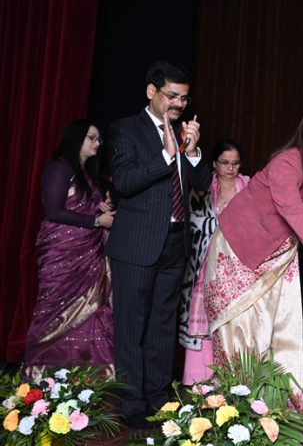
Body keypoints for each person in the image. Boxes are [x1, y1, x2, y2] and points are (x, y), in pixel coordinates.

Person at [202, 108, 303, 396]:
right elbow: (295, 216)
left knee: (277, 327)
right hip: (240, 249)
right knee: (241, 327)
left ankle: (273, 404)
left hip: (278, 255)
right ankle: (235, 401)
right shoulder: (285, 164)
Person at [106, 61, 212, 428]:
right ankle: (132, 401)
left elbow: (198, 184)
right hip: (136, 245)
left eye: (184, 97)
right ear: (151, 92)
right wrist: (167, 155)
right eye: (172, 95)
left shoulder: (184, 132)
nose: (179, 104)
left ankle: (158, 396)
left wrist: (193, 151)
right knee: (131, 327)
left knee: (163, 326)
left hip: (174, 242)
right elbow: (124, 181)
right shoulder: (125, 130)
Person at [23, 119, 115, 378]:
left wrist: (100, 209)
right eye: (92, 137)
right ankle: (44, 380)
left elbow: (78, 206)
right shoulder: (59, 168)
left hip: (88, 254)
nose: (98, 143)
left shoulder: (87, 175)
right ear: (77, 138)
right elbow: (53, 211)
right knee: (53, 313)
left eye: (99, 139)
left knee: (91, 314)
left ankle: (85, 380)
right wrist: (96, 220)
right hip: (61, 254)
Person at [178, 139, 249, 385]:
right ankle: (199, 378)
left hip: (238, 265)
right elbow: (192, 223)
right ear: (214, 164)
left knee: (233, 321)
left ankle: (231, 379)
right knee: (204, 319)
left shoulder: (248, 187)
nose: (231, 168)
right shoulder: (202, 186)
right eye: (225, 163)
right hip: (204, 263)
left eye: (235, 163)